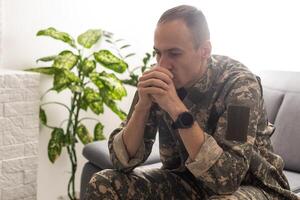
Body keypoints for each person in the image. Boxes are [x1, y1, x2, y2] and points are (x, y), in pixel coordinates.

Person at [84, 5, 299, 200]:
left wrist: (176, 108)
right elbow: (121, 161)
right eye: (158, 53)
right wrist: (142, 107)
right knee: (106, 183)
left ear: (204, 51)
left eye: (174, 53)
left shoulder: (241, 87)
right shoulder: (158, 81)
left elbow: (227, 179)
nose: (163, 64)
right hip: (188, 183)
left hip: (256, 189)